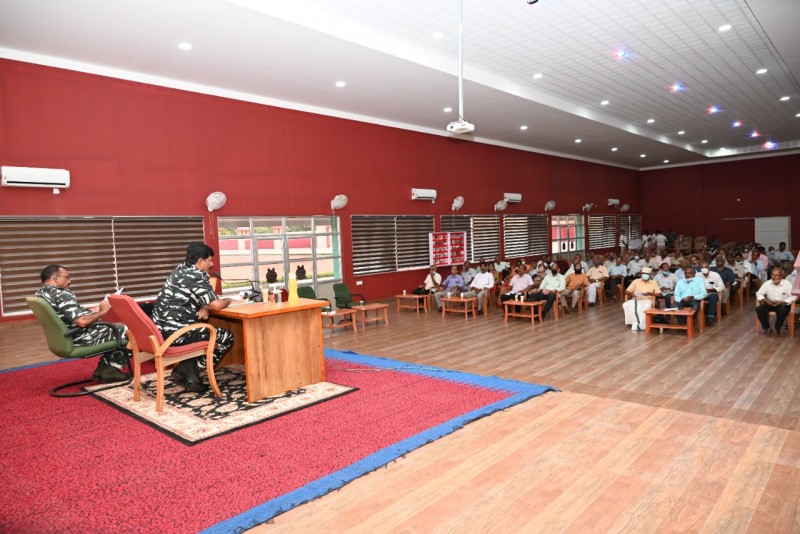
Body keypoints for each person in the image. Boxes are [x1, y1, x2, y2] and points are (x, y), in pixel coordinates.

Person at [152, 242, 234, 392]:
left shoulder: (181, 269)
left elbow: (194, 296)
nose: (212, 264)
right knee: (226, 336)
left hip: (161, 331)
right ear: (200, 261)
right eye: (210, 260)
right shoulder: (194, 275)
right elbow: (217, 305)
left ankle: (187, 368)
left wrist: (204, 305)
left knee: (209, 331)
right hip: (176, 334)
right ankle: (191, 369)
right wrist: (229, 300)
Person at [34, 265, 130, 382]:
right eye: (67, 277)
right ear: (56, 278)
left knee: (116, 329)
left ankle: (103, 369)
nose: (70, 281)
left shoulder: (41, 294)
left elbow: (67, 314)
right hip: (80, 338)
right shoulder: (61, 294)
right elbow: (82, 322)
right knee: (131, 332)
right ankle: (111, 369)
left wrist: (92, 311)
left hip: (65, 337)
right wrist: (103, 311)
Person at [755, 267, 797, 337]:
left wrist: (783, 302)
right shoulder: (767, 283)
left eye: (776, 275)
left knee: (783, 311)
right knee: (759, 309)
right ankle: (767, 328)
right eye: (772, 274)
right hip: (770, 303)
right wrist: (765, 300)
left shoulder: (787, 284)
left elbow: (793, 296)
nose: (774, 277)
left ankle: (777, 330)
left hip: (782, 304)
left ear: (781, 276)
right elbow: (758, 293)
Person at [698, 261, 724, 326]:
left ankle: (710, 317)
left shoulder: (715, 275)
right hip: (700, 293)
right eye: (702, 267)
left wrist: (710, 290)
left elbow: (722, 286)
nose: (704, 269)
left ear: (709, 267)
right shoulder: (697, 275)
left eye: (706, 267)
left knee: (713, 297)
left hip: (711, 292)